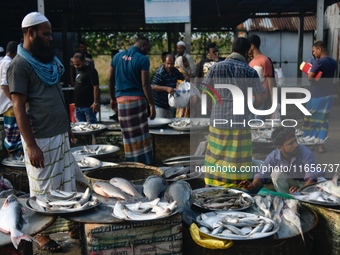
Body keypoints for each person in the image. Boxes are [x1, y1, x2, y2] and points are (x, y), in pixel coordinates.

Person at [7, 12, 79, 252]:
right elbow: (18, 107)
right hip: (41, 139)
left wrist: (67, 127)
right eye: (46, 34)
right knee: (43, 189)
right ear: (31, 33)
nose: (50, 38)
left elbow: (58, 96)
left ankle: (72, 223)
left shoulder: (47, 62)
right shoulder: (20, 65)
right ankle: (41, 234)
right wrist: (31, 145)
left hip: (59, 133)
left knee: (66, 184)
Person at [202, 37, 265, 190]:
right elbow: (261, 98)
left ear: (232, 50)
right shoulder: (249, 71)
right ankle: (238, 187)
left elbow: (205, 92)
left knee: (217, 154)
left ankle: (213, 184)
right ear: (246, 52)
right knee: (237, 155)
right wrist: (248, 110)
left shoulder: (216, 67)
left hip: (218, 120)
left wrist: (214, 110)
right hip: (240, 120)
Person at [108, 36, 155, 164]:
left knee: (128, 137)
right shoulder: (143, 59)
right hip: (138, 101)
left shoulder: (117, 57)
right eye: (148, 49)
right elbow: (145, 84)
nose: (148, 52)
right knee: (142, 137)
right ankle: (145, 165)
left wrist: (112, 98)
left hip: (121, 102)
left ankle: (131, 164)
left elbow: (110, 80)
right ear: (143, 45)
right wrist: (151, 104)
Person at [239, 126, 324, 194]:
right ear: (280, 147)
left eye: (295, 141)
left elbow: (312, 179)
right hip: (293, 183)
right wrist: (252, 186)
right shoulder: (273, 156)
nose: (296, 145)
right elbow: (261, 175)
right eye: (290, 143)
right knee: (276, 174)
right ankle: (286, 200)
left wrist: (300, 191)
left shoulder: (305, 152)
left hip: (311, 184)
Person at [301, 41, 336, 153]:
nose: (314, 53)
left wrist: (308, 73)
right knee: (323, 120)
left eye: (314, 51)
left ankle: (308, 143)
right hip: (328, 94)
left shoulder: (318, 62)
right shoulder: (334, 62)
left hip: (316, 95)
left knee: (310, 119)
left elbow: (310, 77)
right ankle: (321, 145)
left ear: (320, 50)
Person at [0, 41, 23, 156]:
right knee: (14, 136)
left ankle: (13, 159)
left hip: (8, 105)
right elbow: (4, 86)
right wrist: (15, 102)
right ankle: (14, 161)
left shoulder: (3, 62)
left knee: (12, 134)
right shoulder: (8, 63)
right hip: (10, 105)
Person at [151, 54, 189, 118]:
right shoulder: (160, 73)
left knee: (170, 123)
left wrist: (186, 78)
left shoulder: (174, 71)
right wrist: (166, 89)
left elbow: (182, 77)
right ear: (164, 62)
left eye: (171, 64)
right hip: (160, 104)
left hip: (171, 103)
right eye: (167, 64)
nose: (169, 66)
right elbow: (153, 86)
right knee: (161, 124)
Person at [248, 34, 276, 120]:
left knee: (259, 126)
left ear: (252, 46)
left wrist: (273, 100)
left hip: (261, 99)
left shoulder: (264, 61)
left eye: (248, 46)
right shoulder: (251, 62)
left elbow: (270, 81)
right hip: (250, 99)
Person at [72, 52, 100, 123]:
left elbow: (95, 87)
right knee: (80, 126)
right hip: (78, 105)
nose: (76, 66)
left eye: (78, 64)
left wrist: (95, 102)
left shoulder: (91, 71)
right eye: (74, 65)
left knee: (91, 125)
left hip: (88, 105)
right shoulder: (78, 70)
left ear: (84, 61)